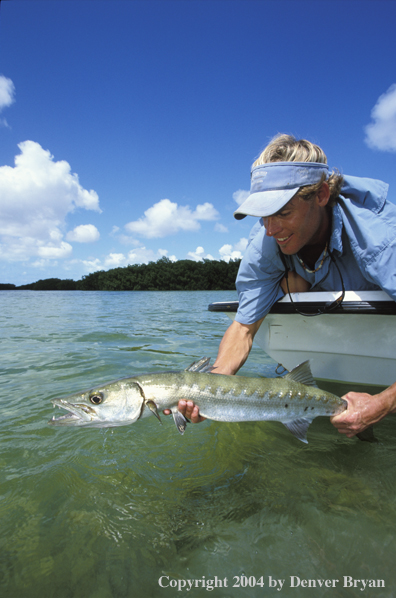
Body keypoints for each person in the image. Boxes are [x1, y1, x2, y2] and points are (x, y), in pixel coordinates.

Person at [165, 134, 396, 438]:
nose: (271, 230)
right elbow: (244, 328)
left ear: (322, 194)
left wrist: (381, 403)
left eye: (284, 213)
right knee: (290, 283)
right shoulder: (264, 246)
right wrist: (210, 392)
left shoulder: (382, 240)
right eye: (263, 217)